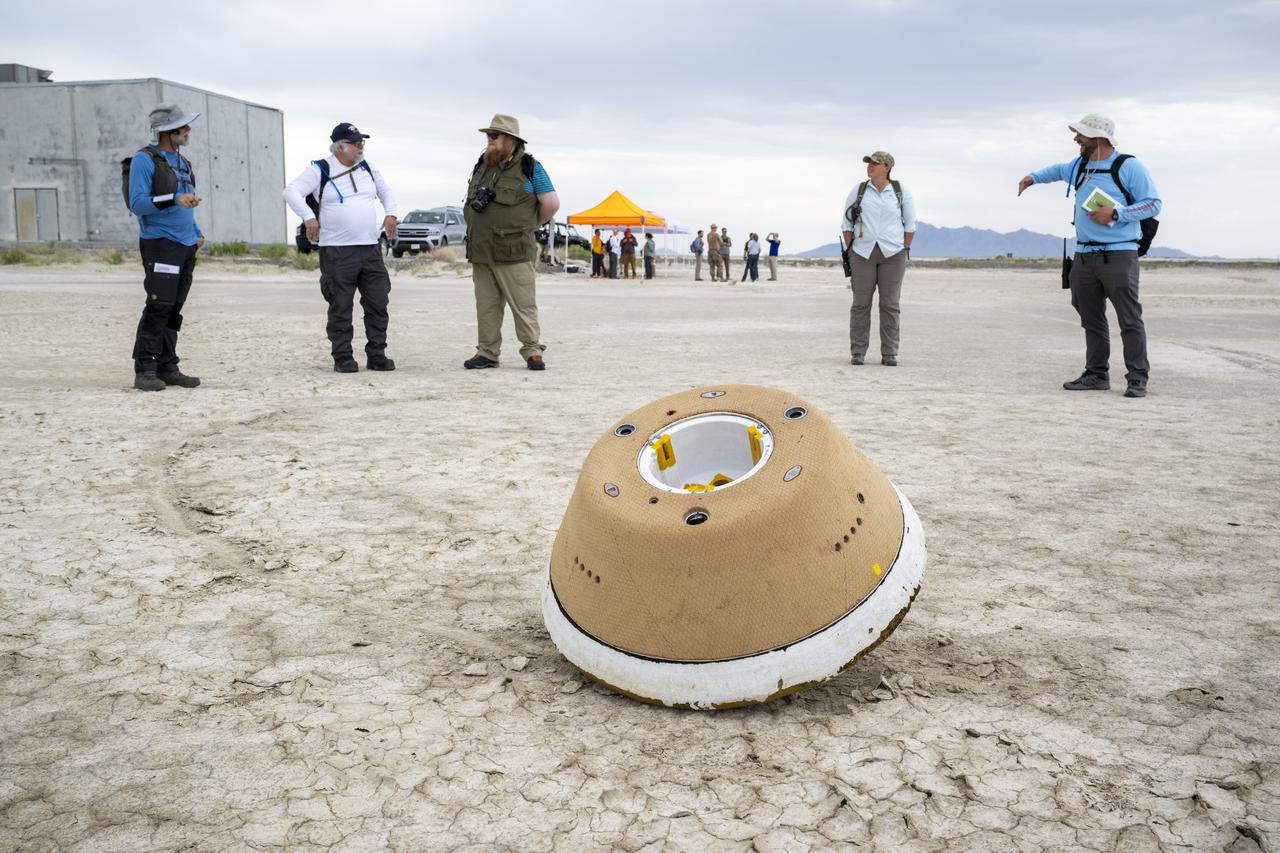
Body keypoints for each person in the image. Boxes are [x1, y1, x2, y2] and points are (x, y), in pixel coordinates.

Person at [1018, 113, 1161, 398]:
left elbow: (1153, 204)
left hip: (1119, 255)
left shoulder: (1128, 166)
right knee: (1090, 318)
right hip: (1084, 256)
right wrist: (1032, 178)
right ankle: (1096, 374)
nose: (1076, 139)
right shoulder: (1079, 165)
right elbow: (1057, 170)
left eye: (1081, 135)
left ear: (1099, 138)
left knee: (1129, 319)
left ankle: (1137, 378)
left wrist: (1116, 213)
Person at [283, 122, 399, 373]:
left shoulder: (367, 167)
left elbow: (386, 191)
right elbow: (291, 192)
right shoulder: (320, 169)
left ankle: (377, 354)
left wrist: (391, 213)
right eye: (355, 143)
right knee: (341, 305)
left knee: (378, 302)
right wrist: (308, 217)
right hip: (337, 250)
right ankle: (343, 356)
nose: (360, 147)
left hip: (370, 249)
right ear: (340, 146)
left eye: (361, 142)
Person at [460, 114, 559, 370]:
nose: (489, 140)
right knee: (486, 306)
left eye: (495, 135)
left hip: (514, 251)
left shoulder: (530, 167)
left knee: (523, 304)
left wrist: (528, 225)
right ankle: (487, 353)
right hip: (482, 250)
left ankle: (532, 351)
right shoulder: (482, 165)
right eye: (488, 135)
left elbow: (551, 204)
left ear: (511, 139)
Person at [127, 103, 205, 391]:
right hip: (160, 243)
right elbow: (138, 204)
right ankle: (145, 369)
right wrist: (174, 198)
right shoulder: (144, 160)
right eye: (183, 126)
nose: (188, 129)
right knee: (159, 305)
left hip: (186, 245)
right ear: (167, 131)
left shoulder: (183, 162)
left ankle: (168, 366)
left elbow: (186, 203)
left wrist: (196, 232)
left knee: (174, 308)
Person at [841, 150, 916, 366]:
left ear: (887, 168)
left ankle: (889, 353)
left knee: (890, 305)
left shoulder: (900, 191)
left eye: (875, 163)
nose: (870, 166)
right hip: (862, 254)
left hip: (893, 255)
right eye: (869, 163)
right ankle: (858, 352)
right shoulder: (859, 190)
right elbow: (846, 223)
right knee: (860, 304)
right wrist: (851, 250)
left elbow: (910, 225)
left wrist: (904, 250)